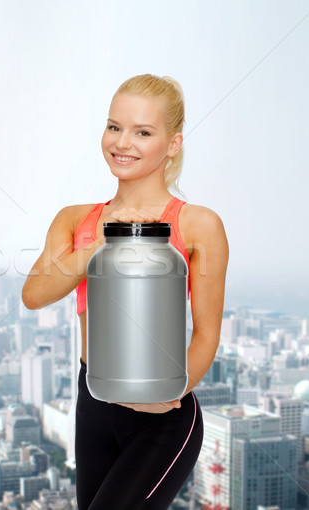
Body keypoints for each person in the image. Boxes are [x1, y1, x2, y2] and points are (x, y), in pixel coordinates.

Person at [22, 74, 229, 509]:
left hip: (162, 417)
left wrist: (166, 393)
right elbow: (35, 293)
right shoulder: (75, 219)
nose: (123, 142)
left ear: (172, 144)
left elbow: (206, 333)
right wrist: (101, 242)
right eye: (115, 126)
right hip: (93, 402)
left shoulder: (197, 224)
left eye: (143, 132)